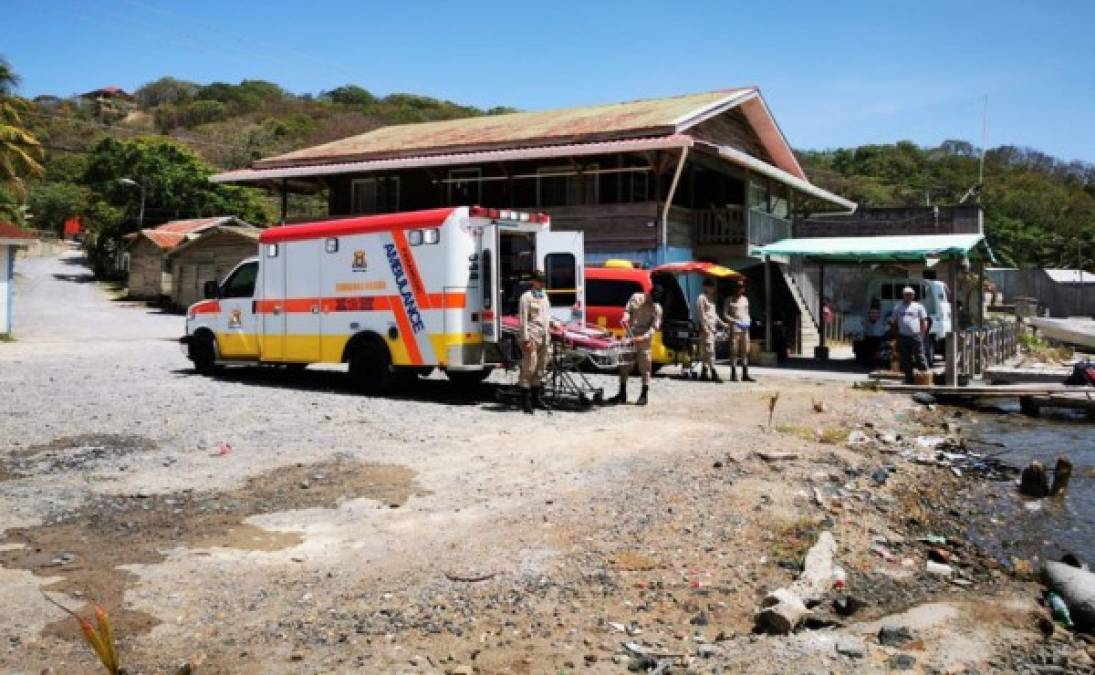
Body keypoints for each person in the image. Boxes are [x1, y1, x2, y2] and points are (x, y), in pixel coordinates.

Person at [612, 285, 663, 406]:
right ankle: (622, 393)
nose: (651, 302)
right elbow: (627, 311)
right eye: (651, 298)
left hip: (644, 338)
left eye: (654, 301)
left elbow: (654, 327)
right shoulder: (636, 297)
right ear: (648, 293)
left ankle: (644, 395)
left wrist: (644, 337)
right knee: (624, 364)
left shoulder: (657, 308)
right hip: (630, 334)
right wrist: (626, 317)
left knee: (645, 366)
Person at [518, 270, 559, 414]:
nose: (542, 284)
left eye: (543, 281)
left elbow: (546, 315)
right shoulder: (526, 297)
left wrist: (554, 323)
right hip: (532, 336)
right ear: (533, 281)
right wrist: (525, 339)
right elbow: (523, 320)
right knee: (529, 367)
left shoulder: (544, 296)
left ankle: (536, 398)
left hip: (544, 337)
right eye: (539, 281)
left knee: (540, 368)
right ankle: (525, 402)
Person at [891, 286, 929, 384]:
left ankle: (924, 378)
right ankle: (909, 378)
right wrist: (896, 336)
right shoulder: (898, 308)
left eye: (910, 294)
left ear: (913, 296)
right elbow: (894, 323)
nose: (908, 296)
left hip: (916, 336)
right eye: (906, 294)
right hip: (903, 336)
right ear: (903, 296)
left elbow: (924, 321)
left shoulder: (918, 307)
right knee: (906, 358)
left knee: (920, 357)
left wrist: (922, 334)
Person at [695, 278, 727, 382]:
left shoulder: (711, 299)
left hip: (712, 328)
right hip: (706, 329)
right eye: (711, 287)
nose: (712, 289)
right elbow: (701, 314)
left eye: (713, 287)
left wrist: (722, 323)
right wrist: (705, 327)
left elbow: (714, 315)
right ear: (705, 287)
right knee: (710, 351)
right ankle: (714, 372)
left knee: (706, 351)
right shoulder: (702, 298)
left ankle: (704, 372)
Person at [721, 281, 755, 382]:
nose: (740, 289)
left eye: (742, 287)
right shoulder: (729, 299)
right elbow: (725, 314)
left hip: (745, 328)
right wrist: (734, 321)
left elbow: (747, 312)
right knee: (734, 351)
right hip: (735, 328)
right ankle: (733, 374)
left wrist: (749, 320)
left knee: (745, 351)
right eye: (738, 287)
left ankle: (745, 374)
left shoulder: (745, 299)